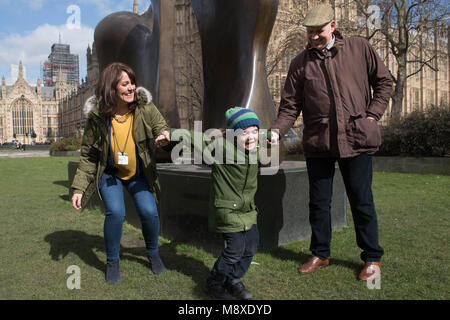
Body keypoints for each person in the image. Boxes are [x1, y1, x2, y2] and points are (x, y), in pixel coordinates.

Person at [269, 4, 393, 281]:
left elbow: (384, 82)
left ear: (333, 26)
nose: (313, 37)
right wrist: (277, 131)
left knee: (362, 201)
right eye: (309, 32)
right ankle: (320, 253)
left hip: (356, 139)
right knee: (319, 202)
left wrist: (372, 115)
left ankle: (372, 258)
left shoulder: (359, 48)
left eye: (319, 31)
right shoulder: (299, 63)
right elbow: (289, 107)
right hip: (319, 142)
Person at [71, 62, 171, 284]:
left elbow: (161, 127)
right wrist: (78, 188)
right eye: (125, 84)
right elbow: (88, 155)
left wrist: (163, 136)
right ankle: (112, 262)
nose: (131, 88)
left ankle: (153, 253)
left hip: (138, 173)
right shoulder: (97, 117)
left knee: (149, 212)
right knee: (115, 213)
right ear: (112, 88)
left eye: (132, 83)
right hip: (110, 174)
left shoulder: (144, 108)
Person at [173, 107, 262, 299]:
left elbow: (265, 135)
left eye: (254, 131)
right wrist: (170, 133)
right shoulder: (221, 148)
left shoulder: (255, 147)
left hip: (248, 210)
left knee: (251, 247)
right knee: (234, 250)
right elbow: (195, 138)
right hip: (228, 210)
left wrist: (271, 134)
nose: (251, 137)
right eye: (244, 133)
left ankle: (233, 278)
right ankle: (214, 283)